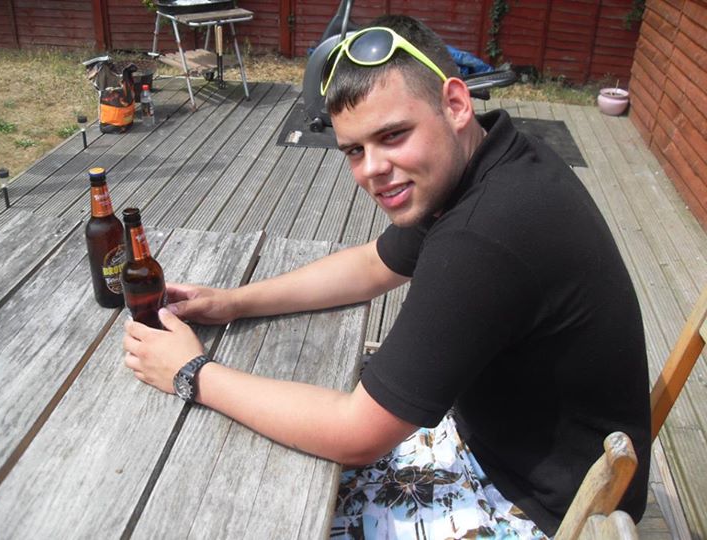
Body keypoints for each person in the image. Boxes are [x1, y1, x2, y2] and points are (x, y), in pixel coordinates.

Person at [123, 14, 651, 539]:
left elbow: (357, 434)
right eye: (355, 150)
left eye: (393, 135)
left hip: (531, 506)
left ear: (456, 104)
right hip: (503, 445)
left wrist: (192, 373)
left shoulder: (484, 235)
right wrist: (233, 302)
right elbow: (373, 263)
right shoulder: (487, 158)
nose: (372, 169)